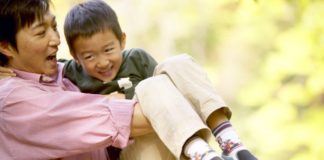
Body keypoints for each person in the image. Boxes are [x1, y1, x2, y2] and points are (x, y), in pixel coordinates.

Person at [0, 0, 257, 160]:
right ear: (6, 47)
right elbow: (125, 119)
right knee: (152, 87)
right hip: (130, 153)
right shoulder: (12, 100)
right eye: (40, 32)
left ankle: (231, 143)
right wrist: (115, 102)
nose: (55, 39)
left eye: (54, 27)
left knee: (177, 63)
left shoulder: (60, 72)